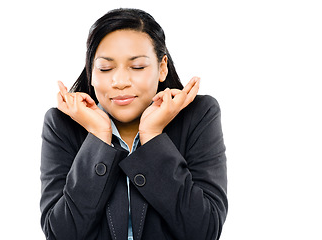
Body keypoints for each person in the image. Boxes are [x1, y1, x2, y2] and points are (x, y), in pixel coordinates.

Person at [40, 8, 227, 240]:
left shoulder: (199, 115)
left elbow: (205, 231)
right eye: (105, 68)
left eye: (137, 67)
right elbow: (60, 235)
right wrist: (98, 137)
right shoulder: (62, 124)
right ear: (91, 72)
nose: (120, 82)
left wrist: (153, 136)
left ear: (162, 67)